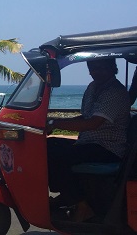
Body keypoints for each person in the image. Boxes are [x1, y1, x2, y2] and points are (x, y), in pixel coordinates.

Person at [46, 57, 130, 221]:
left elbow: (93, 123)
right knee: (48, 146)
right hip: (88, 143)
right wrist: (52, 122)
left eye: (101, 67)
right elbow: (85, 117)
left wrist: (56, 123)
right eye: (93, 68)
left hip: (107, 147)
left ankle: (82, 205)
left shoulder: (114, 91)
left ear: (113, 68)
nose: (96, 72)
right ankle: (69, 196)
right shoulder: (93, 87)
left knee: (61, 157)